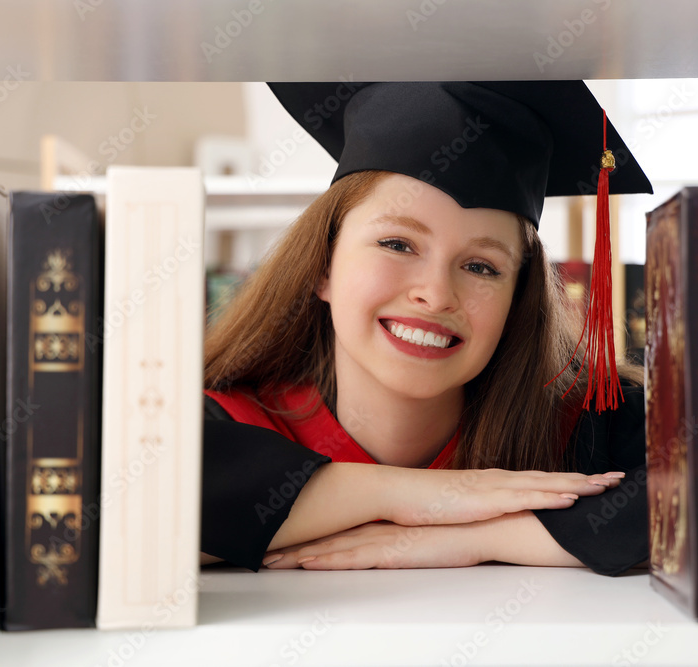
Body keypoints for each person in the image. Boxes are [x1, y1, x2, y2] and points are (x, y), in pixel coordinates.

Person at [201, 81, 652, 577]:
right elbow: (120, 517)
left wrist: (484, 534)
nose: (436, 295)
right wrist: (410, 496)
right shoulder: (219, 423)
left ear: (516, 301)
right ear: (321, 266)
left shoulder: (581, 429)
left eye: (482, 267)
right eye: (397, 244)